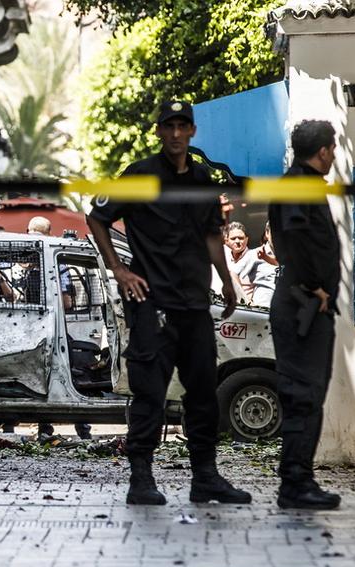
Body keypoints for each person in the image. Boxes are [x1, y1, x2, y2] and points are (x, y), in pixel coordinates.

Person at [87, 99, 249, 506]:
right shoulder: (140, 175)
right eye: (169, 126)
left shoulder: (201, 179)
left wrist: (227, 280)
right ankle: (141, 479)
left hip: (194, 303)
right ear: (159, 132)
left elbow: (213, 233)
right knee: (149, 394)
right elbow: (97, 218)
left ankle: (205, 478)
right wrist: (119, 271)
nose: (176, 133)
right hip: (151, 302)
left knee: (202, 394)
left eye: (183, 126)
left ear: (192, 131)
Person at [268, 120, 343, 510]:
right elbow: (295, 235)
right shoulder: (299, 184)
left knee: (309, 395)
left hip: (307, 304)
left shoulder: (303, 183)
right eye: (333, 148)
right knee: (303, 395)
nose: (334, 154)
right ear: (324, 151)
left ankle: (299, 481)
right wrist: (314, 284)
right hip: (302, 304)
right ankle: (295, 485)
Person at [247, 223, 279, 307]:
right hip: (261, 310)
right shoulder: (253, 254)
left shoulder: (291, 257)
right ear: (267, 233)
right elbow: (234, 276)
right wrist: (247, 301)